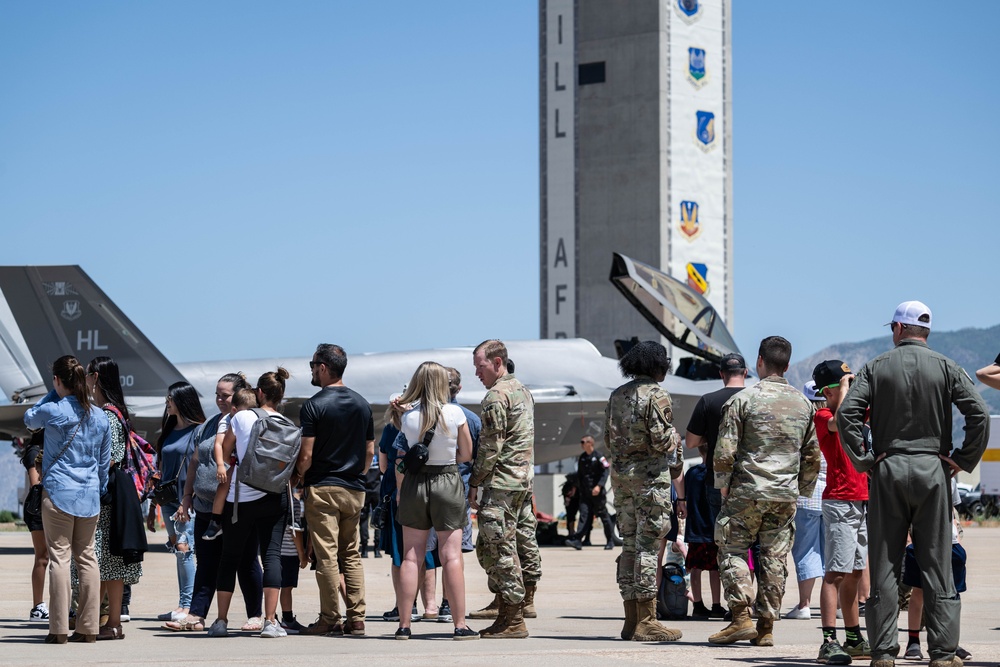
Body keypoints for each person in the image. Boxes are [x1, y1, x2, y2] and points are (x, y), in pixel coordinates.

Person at [837, 301, 990, 667]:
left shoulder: (875, 367)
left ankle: (884, 653)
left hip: (887, 469)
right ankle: (941, 652)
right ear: (926, 332)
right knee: (936, 563)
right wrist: (963, 459)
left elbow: (847, 415)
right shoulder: (946, 367)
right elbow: (980, 414)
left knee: (886, 563)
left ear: (899, 329)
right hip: (933, 470)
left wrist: (864, 460)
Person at [709, 336, 820, 647]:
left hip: (747, 490)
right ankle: (766, 626)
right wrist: (801, 490)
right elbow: (813, 455)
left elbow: (724, 452)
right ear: (786, 366)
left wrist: (723, 486)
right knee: (774, 557)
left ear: (759, 362)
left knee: (732, 549)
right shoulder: (803, 404)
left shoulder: (742, 401)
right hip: (784, 494)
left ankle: (741, 618)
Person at [24, 355, 112, 644]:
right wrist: (98, 488)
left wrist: (55, 391)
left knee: (59, 559)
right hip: (89, 496)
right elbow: (103, 462)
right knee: (87, 558)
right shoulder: (100, 415)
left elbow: (29, 419)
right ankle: (88, 628)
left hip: (59, 492)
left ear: (59, 380)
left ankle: (59, 628)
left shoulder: (54, 409)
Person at [390, 361, 478, 640]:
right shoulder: (455, 413)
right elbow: (466, 454)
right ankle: (459, 624)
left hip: (416, 483)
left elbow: (403, 449)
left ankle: (404, 624)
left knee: (411, 556)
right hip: (447, 479)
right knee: (450, 555)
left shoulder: (408, 417)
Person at [171, 373, 264, 633]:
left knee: (245, 563)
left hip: (238, 508)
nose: (219, 399)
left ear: (239, 394)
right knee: (207, 563)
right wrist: (187, 497)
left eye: (225, 395)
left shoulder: (250, 421)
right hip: (204, 507)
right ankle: (197, 615)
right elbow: (194, 462)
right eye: (217, 394)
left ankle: (256, 615)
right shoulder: (209, 425)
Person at [605, 340, 684, 643]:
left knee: (628, 545)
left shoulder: (617, 396)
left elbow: (609, 440)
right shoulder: (657, 395)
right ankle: (648, 620)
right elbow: (663, 442)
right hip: (650, 480)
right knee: (648, 546)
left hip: (622, 479)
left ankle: (630, 620)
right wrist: (675, 439)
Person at [293, 344, 374, 636]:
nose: (312, 370)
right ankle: (358, 619)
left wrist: (299, 477)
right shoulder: (362, 404)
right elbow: (369, 450)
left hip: (323, 487)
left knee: (326, 556)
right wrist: (358, 475)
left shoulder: (314, 405)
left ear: (324, 367)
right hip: (354, 488)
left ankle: (329, 618)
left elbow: (306, 455)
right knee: (351, 554)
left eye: (313, 364)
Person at [207, 368, 293, 639]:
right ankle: (269, 622)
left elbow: (227, 448)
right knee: (271, 556)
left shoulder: (242, 416)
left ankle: (221, 621)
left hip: (239, 499)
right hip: (274, 496)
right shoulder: (287, 424)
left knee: (229, 557)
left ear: (259, 392)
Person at [467, 339, 540, 639]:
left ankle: (512, 618)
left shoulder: (495, 397)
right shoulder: (523, 391)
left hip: (501, 484)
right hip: (522, 482)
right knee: (517, 543)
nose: (477, 374)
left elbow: (490, 447)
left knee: (498, 548)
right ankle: (516, 606)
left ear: (497, 363)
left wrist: (474, 482)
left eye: (480, 367)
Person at [811, 361, 870, 664]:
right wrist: (846, 389)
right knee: (834, 573)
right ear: (829, 390)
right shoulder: (823, 416)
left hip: (860, 500)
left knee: (855, 574)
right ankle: (828, 641)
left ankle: (853, 638)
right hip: (839, 501)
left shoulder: (856, 412)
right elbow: (839, 421)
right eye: (845, 383)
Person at [85, 356, 144, 641]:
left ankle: (102, 622)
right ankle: (112, 624)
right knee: (112, 564)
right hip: (120, 492)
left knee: (100, 560)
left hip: (107, 495)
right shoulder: (118, 412)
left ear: (95, 377)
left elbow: (110, 458)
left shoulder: (106, 414)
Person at [148, 381, 205, 624]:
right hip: (168, 499)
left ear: (182, 400)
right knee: (178, 550)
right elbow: (160, 469)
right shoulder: (169, 430)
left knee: (184, 549)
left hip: (186, 500)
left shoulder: (199, 431)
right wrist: (153, 505)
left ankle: (188, 605)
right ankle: (182, 603)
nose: (166, 402)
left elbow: (200, 467)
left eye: (170, 398)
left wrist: (188, 498)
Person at [902, 480, 972, 663]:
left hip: (951, 542)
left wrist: (956, 535)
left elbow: (951, 509)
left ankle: (950, 642)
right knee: (919, 590)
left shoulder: (950, 476)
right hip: (922, 540)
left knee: (952, 594)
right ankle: (913, 641)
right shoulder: (917, 470)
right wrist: (909, 538)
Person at [685, 352, 747, 535]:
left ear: (721, 374)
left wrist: (714, 436)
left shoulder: (708, 400)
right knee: (757, 544)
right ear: (745, 372)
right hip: (753, 480)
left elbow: (690, 442)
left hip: (718, 480)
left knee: (725, 541)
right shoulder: (757, 399)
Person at [785, 381, 827, 622]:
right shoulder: (836, 421)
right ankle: (839, 603)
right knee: (833, 553)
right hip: (833, 496)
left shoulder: (802, 424)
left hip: (807, 496)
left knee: (806, 551)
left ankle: (804, 605)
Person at [676, 444, 725, 619]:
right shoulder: (717, 474)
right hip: (712, 527)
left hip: (695, 527)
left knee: (695, 568)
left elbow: (684, 494)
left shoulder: (692, 473)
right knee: (715, 569)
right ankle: (716, 604)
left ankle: (697, 604)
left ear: (699, 451)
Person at [565, 436, 618, 551]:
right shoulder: (582, 458)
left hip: (597, 494)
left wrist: (599, 486)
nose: (582, 444)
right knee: (584, 515)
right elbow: (580, 475)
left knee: (603, 516)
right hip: (585, 493)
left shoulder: (599, 457)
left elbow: (605, 472)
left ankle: (610, 540)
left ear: (590, 443)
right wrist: (576, 488)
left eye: (583, 442)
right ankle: (577, 540)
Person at [20, 431, 49, 622]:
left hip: (49, 506)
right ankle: (38, 607)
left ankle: (61, 603)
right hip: (38, 508)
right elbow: (35, 484)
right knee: (42, 557)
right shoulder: (34, 452)